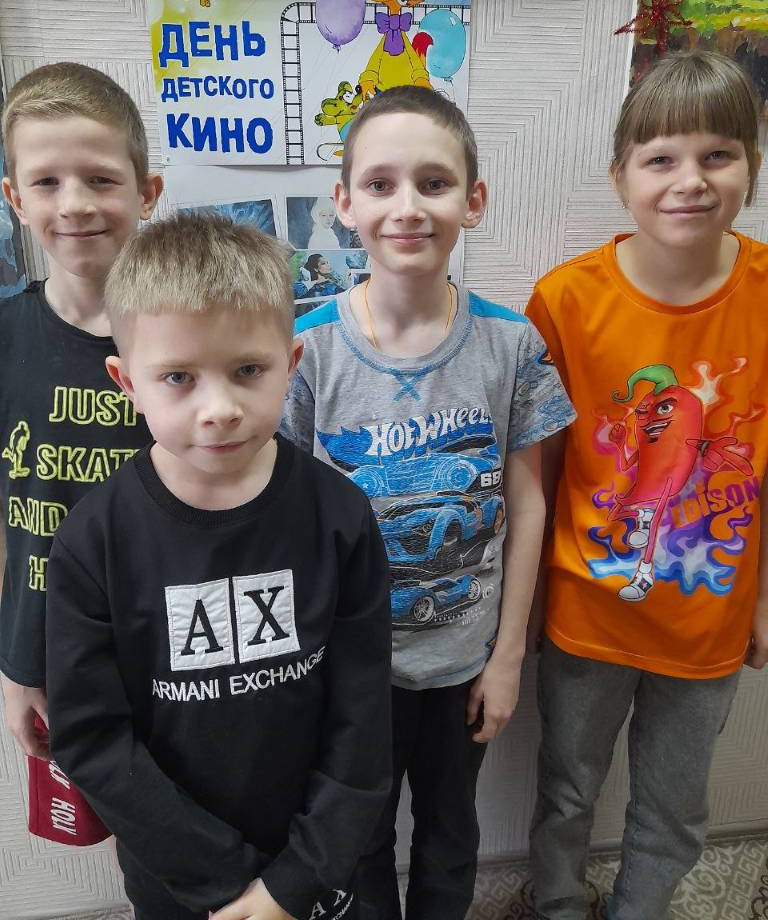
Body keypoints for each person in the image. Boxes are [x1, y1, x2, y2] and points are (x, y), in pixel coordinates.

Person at [45, 212, 392, 920]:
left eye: (247, 371)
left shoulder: (340, 515)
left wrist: (293, 882)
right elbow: (92, 737)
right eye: (178, 377)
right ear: (126, 381)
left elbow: (362, 716)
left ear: (291, 363)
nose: (219, 409)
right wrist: (226, 884)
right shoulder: (92, 539)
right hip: (180, 882)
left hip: (318, 869)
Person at [281, 86, 575, 920]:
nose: (407, 206)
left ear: (472, 201)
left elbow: (528, 505)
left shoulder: (510, 344)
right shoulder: (307, 349)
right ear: (343, 203)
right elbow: (285, 520)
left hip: (465, 660)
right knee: (359, 838)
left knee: (450, 834)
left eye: (434, 183)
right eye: (380, 184)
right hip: (351, 668)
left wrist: (508, 655)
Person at [526, 51, 768, 920]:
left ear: (752, 163)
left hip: (709, 619)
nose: (690, 180)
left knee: (675, 808)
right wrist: (522, 612)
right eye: (661, 158)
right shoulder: (566, 301)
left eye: (718, 154)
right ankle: (556, 904)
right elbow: (537, 473)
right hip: (586, 611)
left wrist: (762, 600)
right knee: (565, 787)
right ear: (620, 175)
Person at [0, 63, 162, 820]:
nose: (74, 204)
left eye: (100, 179)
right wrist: (14, 664)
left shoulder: (192, 337)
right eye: (46, 182)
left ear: (147, 192)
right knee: (122, 835)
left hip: (179, 644)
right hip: (58, 653)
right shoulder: (6, 339)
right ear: (15, 198)